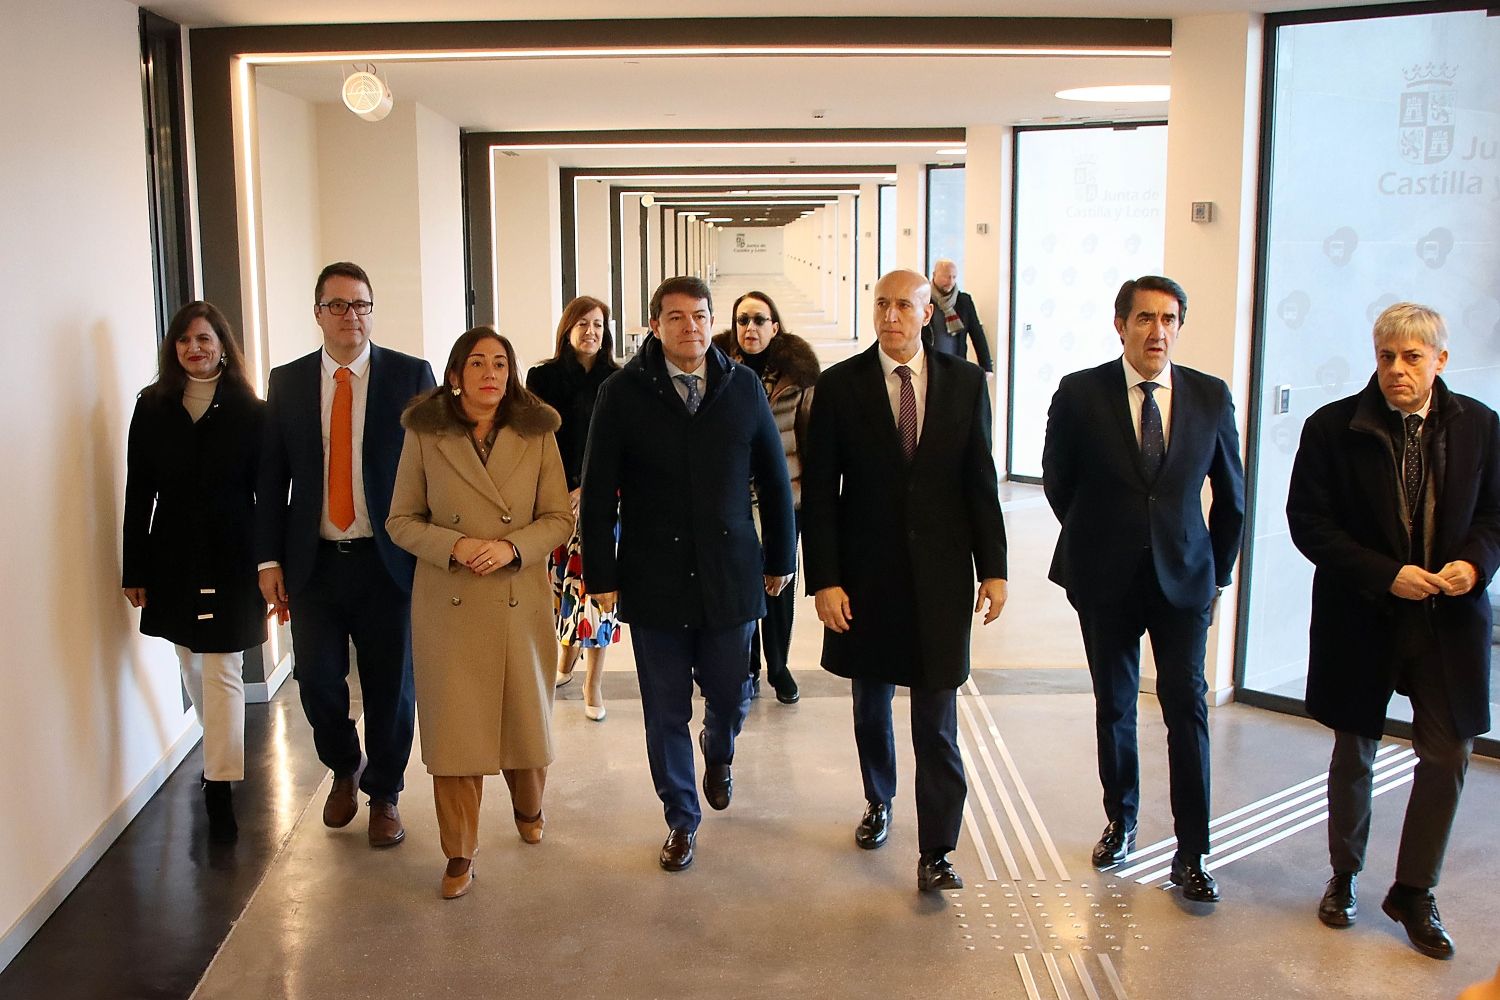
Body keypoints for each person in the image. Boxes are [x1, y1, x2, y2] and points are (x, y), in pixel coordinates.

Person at [1286, 302, 1499, 959]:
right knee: (1355, 753)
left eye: (1412, 357)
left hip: (1449, 620)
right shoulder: (1333, 427)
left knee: (1448, 753)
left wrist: (1474, 563)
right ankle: (1344, 876)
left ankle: (1414, 891)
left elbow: (1496, 515)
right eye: (1386, 357)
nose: (1397, 370)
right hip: (1364, 614)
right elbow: (1309, 523)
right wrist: (1387, 574)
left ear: (1440, 359)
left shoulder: (1482, 428)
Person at [802, 268, 1009, 893]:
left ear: (929, 314)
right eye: (882, 304)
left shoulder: (967, 384)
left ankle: (938, 850)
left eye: (904, 306)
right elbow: (821, 496)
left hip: (942, 577)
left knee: (937, 719)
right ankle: (879, 798)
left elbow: (980, 481)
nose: (891, 316)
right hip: (866, 579)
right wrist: (826, 580)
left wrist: (994, 568)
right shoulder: (838, 387)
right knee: (871, 705)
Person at [580, 275, 796, 872]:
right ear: (654, 325)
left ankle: (719, 749)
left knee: (731, 694)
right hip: (654, 578)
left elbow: (775, 482)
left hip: (731, 573)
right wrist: (601, 573)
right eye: (675, 318)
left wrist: (782, 557)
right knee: (666, 708)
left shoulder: (742, 386)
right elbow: (598, 492)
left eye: (700, 316)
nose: (690, 327)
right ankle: (681, 817)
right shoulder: (622, 393)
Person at [1042, 275, 1244, 903]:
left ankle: (1192, 852)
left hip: (1185, 579)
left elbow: (1232, 496)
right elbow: (1058, 482)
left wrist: (1217, 574)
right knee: (1116, 706)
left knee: (1188, 710)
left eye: (1170, 320)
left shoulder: (1210, 396)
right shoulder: (1080, 393)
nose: (1158, 332)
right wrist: (1101, 534)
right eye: (1146, 319)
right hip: (1105, 576)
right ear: (1120, 324)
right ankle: (1122, 819)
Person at [255, 262, 436, 849]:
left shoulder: (410, 375)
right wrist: (268, 561)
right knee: (318, 686)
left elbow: (434, 470)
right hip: (315, 566)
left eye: (360, 305)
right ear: (318, 314)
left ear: (371, 311)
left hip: (388, 563)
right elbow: (271, 478)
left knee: (391, 687)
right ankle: (343, 766)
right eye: (337, 305)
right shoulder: (286, 382)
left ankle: (384, 793)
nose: (350, 316)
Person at [387, 327, 573, 899]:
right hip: (450, 600)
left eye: (500, 363)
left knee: (523, 719)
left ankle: (529, 805)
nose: (490, 373)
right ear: (454, 374)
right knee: (456, 735)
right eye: (477, 364)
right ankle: (459, 853)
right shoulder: (425, 435)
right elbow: (400, 520)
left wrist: (514, 548)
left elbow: (559, 518)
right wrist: (456, 547)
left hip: (519, 596)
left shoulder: (537, 432)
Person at [122, 301, 265, 843]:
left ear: (223, 345)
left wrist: (270, 563)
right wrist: (133, 567)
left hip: (234, 553)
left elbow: (268, 493)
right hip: (173, 554)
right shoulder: (153, 408)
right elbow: (139, 493)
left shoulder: (252, 411)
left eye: (205, 338)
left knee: (224, 666)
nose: (195, 348)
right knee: (191, 663)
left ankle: (219, 784)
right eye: (185, 340)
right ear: (173, 348)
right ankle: (219, 755)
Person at [711, 290, 820, 705]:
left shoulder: (800, 378)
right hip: (733, 501)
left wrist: (808, 502)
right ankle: (747, 667)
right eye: (743, 320)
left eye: (759, 320)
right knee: (740, 586)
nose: (750, 328)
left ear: (775, 326)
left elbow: (810, 442)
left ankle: (779, 665)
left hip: (784, 499)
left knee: (780, 583)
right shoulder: (716, 370)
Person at [525, 296, 623, 721]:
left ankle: (593, 682)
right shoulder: (543, 378)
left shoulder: (618, 380)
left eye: (599, 325)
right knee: (562, 587)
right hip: (553, 499)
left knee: (597, 590)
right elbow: (533, 440)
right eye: (583, 324)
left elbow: (623, 445)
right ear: (567, 329)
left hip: (605, 501)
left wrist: (590, 489)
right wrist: (560, 490)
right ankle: (564, 664)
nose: (591, 332)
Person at [922, 258, 992, 373]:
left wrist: (986, 366)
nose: (950, 281)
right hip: (929, 365)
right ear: (934, 275)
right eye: (946, 277)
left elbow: (977, 333)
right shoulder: (924, 300)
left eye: (954, 277)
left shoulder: (964, 301)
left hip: (956, 365)